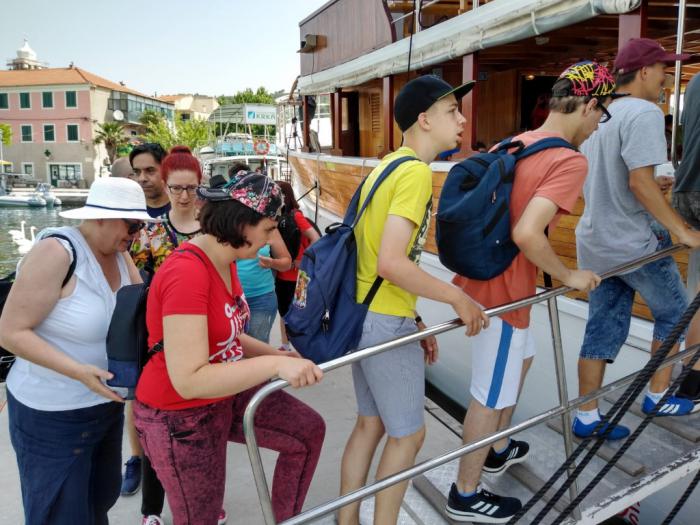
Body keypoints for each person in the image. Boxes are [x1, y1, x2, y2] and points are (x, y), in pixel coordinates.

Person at [446, 60, 613, 524]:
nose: (597, 126)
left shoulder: (516, 142)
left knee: (523, 358)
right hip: (504, 294)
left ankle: (498, 446)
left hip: (481, 278)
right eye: (601, 115)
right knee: (490, 394)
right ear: (590, 106)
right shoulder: (569, 160)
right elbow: (526, 232)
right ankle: (464, 494)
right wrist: (568, 275)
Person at [337, 75, 489, 525]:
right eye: (452, 111)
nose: (462, 120)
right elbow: (391, 262)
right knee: (409, 436)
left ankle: (346, 520)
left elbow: (371, 259)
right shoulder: (417, 173)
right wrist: (457, 297)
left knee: (369, 424)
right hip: (385, 322)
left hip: (363, 317)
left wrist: (417, 318)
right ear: (424, 120)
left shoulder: (386, 166)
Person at [133, 173, 325, 524]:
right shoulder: (187, 272)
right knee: (201, 517)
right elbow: (189, 380)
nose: (270, 239)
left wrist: (278, 355)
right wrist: (274, 368)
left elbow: (229, 332)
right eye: (268, 229)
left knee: (308, 432)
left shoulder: (225, 261)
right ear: (240, 223)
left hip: (223, 393)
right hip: (179, 417)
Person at [0, 177, 153, 525]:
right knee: (60, 512)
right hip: (52, 415)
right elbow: (10, 332)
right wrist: (78, 372)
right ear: (100, 217)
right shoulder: (57, 253)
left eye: (140, 225)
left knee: (99, 501)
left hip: (104, 406)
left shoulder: (120, 253)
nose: (137, 233)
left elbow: (139, 311)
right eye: (132, 224)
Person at [574, 38, 700, 440]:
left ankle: (587, 416)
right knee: (676, 314)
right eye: (663, 69)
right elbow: (638, 182)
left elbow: (610, 179)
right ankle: (658, 396)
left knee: (601, 328)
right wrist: (682, 230)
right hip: (634, 242)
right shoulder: (645, 112)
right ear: (644, 71)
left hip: (595, 241)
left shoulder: (599, 114)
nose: (666, 78)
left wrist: (649, 185)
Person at [127, 146, 205, 525]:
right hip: (159, 342)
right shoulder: (151, 233)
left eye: (191, 188)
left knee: (203, 424)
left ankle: (202, 499)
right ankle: (152, 510)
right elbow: (135, 284)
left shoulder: (213, 230)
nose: (184, 196)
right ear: (166, 185)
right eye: (177, 188)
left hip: (205, 338)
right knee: (158, 427)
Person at [672, 72, 700, 412]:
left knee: (697, 288)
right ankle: (693, 381)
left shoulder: (694, 82)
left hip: (687, 187)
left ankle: (690, 378)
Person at [274, 181, 321, 351]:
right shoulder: (276, 216)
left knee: (300, 313)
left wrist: (304, 260)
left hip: (300, 277)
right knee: (283, 312)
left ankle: (302, 346)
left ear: (283, 196)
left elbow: (316, 239)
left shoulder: (296, 216)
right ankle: (285, 345)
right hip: (282, 276)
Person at [130, 143, 170, 218]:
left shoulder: (185, 209)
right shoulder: (129, 212)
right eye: (137, 172)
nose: (142, 178)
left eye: (150, 170)